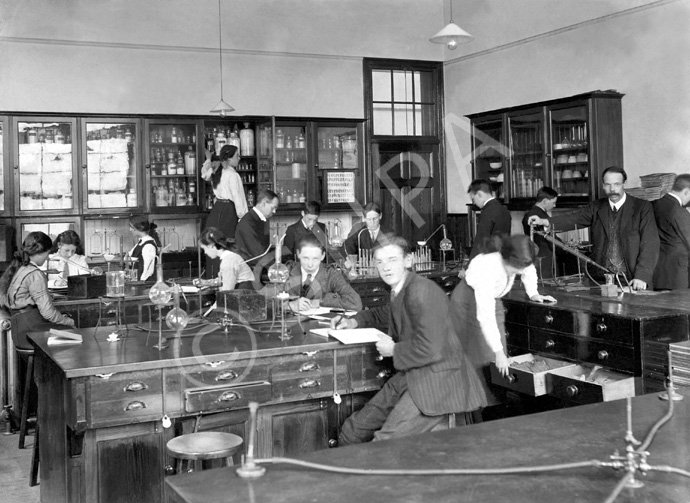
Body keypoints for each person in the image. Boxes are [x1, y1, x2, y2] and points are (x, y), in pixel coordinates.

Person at [331, 235, 487, 444]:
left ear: (408, 260)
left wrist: (394, 349)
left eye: (392, 260)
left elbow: (432, 348)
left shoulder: (423, 292)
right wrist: (353, 321)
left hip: (439, 380)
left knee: (384, 443)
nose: (385, 267)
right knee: (353, 431)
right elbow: (382, 314)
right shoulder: (401, 290)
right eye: (380, 261)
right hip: (412, 373)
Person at [450, 235, 557, 407]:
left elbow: (528, 269)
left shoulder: (521, 255)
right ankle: (480, 408)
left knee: (498, 358)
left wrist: (533, 293)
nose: (517, 270)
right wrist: (498, 352)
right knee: (482, 358)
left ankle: (498, 403)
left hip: (494, 299)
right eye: (513, 267)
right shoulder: (488, 267)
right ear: (505, 257)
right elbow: (485, 315)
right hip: (467, 302)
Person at [528, 166, 659, 290]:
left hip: (631, 280)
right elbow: (575, 218)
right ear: (603, 185)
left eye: (616, 184)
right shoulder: (596, 207)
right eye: (608, 185)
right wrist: (544, 221)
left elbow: (650, 245)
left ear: (624, 184)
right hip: (600, 280)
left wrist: (642, 277)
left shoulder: (642, 207)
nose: (612, 189)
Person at [0, 232, 75, 350]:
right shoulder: (35, 274)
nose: (47, 257)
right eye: (47, 253)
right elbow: (48, 313)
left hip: (20, 331)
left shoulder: (19, 268)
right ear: (41, 253)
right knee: (74, 334)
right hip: (31, 330)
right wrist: (69, 321)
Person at [201, 144, 248, 278]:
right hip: (229, 213)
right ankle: (226, 280)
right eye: (237, 156)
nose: (239, 158)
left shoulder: (216, 171)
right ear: (228, 159)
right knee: (227, 247)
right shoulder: (233, 175)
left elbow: (204, 174)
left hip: (216, 212)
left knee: (214, 247)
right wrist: (243, 219)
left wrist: (208, 159)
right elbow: (239, 199)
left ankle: (212, 279)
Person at [283, 234, 362, 312]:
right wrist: (289, 305)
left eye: (315, 259)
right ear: (298, 254)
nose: (310, 264)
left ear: (323, 256)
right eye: (306, 258)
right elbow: (270, 300)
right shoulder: (287, 271)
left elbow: (355, 303)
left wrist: (318, 302)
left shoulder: (331, 274)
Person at [521, 187, 576, 279]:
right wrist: (565, 247)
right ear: (545, 201)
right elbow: (550, 239)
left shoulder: (530, 213)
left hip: (536, 258)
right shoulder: (540, 216)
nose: (554, 205)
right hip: (545, 261)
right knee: (546, 289)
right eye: (553, 202)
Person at [652, 174, 690, 290]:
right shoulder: (679, 211)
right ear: (686, 192)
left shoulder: (652, 205)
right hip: (676, 275)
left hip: (656, 272)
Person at [235, 188, 280, 269]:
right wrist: (275, 268)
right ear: (263, 203)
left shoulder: (259, 220)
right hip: (248, 271)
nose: (274, 211)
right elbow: (258, 252)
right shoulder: (248, 222)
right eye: (273, 208)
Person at [467, 179, 511, 261]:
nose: (474, 203)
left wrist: (468, 267)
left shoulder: (487, 212)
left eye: (473, 199)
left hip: (489, 260)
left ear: (479, 194)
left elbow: (481, 241)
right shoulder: (504, 210)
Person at [127, 215, 161, 281]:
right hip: (138, 281)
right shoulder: (141, 242)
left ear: (139, 228)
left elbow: (148, 270)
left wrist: (140, 282)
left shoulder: (148, 246)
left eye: (131, 227)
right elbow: (129, 256)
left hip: (144, 283)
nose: (130, 229)